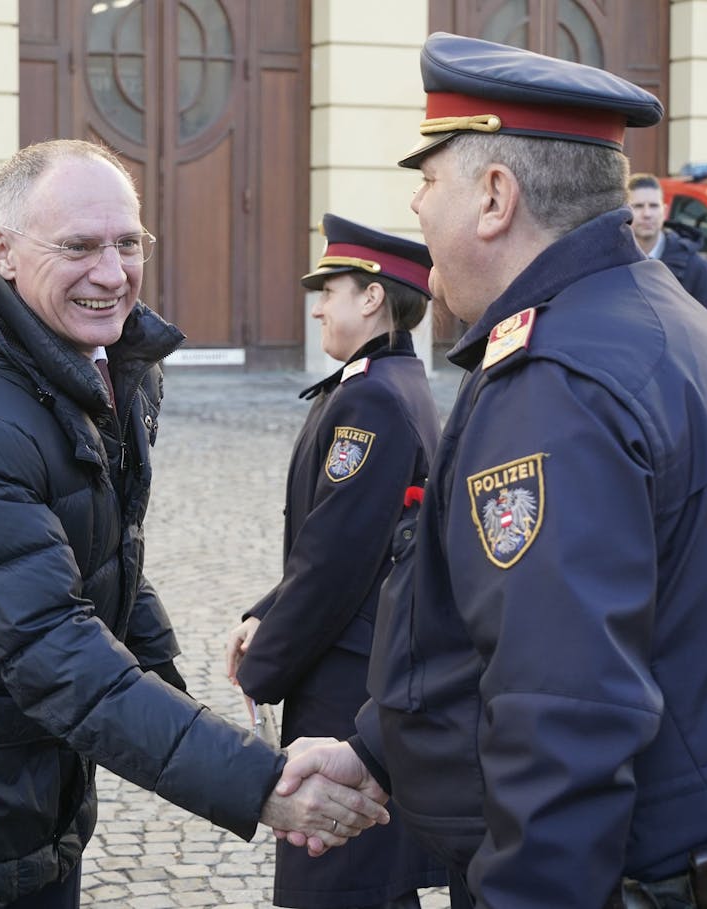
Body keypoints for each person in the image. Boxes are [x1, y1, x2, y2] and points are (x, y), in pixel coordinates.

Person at [278, 35, 707, 909]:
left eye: (429, 180)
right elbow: (501, 637)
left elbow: (562, 710)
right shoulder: (653, 319)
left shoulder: (556, 384)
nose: (415, 205)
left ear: (493, 198)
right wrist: (373, 750)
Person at [0, 139, 389, 909]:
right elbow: (54, 646)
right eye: (78, 246)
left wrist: (197, 721)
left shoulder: (101, 361)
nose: (111, 273)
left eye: (126, 243)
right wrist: (257, 782)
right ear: (2, 251)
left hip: (22, 769)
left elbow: (101, 556)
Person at [224, 214, 448, 909]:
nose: (319, 304)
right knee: (374, 884)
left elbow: (334, 561)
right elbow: (333, 537)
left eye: (333, 288)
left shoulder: (373, 398)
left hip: (349, 684)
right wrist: (264, 611)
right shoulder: (376, 383)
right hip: (359, 668)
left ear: (374, 298)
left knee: (341, 883)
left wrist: (264, 671)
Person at [628, 172, 707, 324]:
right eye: (638, 206)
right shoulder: (611, 263)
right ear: (625, 212)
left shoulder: (697, 268)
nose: (647, 214)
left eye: (654, 206)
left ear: (665, 211)